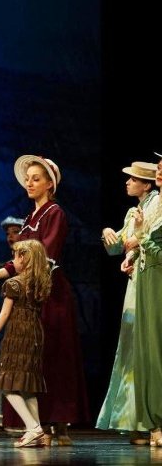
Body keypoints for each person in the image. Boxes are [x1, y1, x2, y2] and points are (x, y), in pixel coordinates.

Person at [0, 155, 89, 444]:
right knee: (33, 359)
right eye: (27, 179)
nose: (29, 183)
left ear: (49, 184)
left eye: (36, 179)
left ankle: (60, 422)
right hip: (29, 293)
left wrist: (9, 276)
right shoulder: (30, 217)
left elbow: (44, 255)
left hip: (49, 292)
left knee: (55, 354)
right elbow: (21, 258)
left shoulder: (55, 213)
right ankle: (37, 425)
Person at [97, 162, 158, 444]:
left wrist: (132, 246)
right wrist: (108, 232)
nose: (127, 182)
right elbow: (118, 246)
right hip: (136, 282)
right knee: (132, 348)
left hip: (151, 278)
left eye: (133, 179)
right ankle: (137, 420)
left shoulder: (156, 204)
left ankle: (149, 419)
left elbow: (141, 240)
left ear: (146, 184)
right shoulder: (134, 211)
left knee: (147, 346)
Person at [0, 239, 52, 448]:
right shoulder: (40, 283)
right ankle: (37, 430)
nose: (12, 262)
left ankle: (33, 428)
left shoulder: (14, 283)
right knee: (27, 386)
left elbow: (3, 315)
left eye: (15, 257)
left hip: (18, 335)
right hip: (34, 334)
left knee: (7, 384)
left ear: (24, 258)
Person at [123, 152, 162, 447]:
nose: (160, 171)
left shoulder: (157, 206)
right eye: (159, 168)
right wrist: (131, 253)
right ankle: (153, 423)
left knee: (157, 349)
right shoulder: (148, 208)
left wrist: (141, 238)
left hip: (157, 279)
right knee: (148, 352)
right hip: (147, 278)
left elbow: (156, 248)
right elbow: (137, 244)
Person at [0, 215, 24, 430]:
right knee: (3, 367)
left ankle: (22, 420)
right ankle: (4, 415)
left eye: (16, 232)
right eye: (8, 233)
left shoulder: (27, 265)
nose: (11, 236)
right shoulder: (3, 268)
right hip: (5, 322)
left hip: (23, 320)